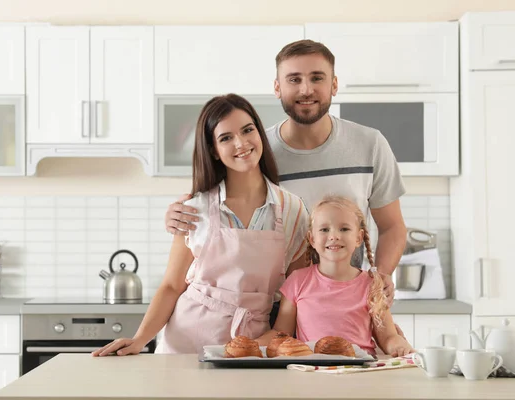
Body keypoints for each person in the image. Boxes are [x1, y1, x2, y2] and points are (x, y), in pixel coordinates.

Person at [165, 40, 407, 305]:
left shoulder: (370, 144)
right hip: (277, 308)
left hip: (349, 303)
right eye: (294, 79)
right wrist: (178, 215)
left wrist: (381, 275)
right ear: (277, 87)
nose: (306, 89)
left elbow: (392, 227)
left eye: (317, 78)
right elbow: (217, 204)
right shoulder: (255, 151)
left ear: (334, 84)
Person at [92, 94, 309, 356]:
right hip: (187, 337)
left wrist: (271, 340)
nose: (241, 143)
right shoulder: (196, 209)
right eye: (226, 138)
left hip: (252, 342)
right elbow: (172, 285)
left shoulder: (293, 210)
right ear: (213, 151)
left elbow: (296, 292)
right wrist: (139, 340)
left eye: (247, 130)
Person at [257, 196, 414, 357]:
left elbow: (388, 337)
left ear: (358, 238)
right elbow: (280, 333)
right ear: (312, 238)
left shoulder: (372, 285)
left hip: (360, 372)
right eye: (324, 229)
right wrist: (251, 345)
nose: (334, 236)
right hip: (312, 372)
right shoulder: (297, 281)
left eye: (344, 229)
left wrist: (400, 346)